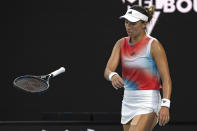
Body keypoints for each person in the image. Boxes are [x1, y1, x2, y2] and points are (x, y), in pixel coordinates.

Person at [104, 5, 172, 131]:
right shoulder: (120, 43)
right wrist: (112, 75)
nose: (128, 26)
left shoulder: (154, 45)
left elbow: (166, 79)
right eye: (126, 22)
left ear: (144, 24)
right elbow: (108, 70)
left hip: (148, 101)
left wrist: (165, 105)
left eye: (133, 23)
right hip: (128, 100)